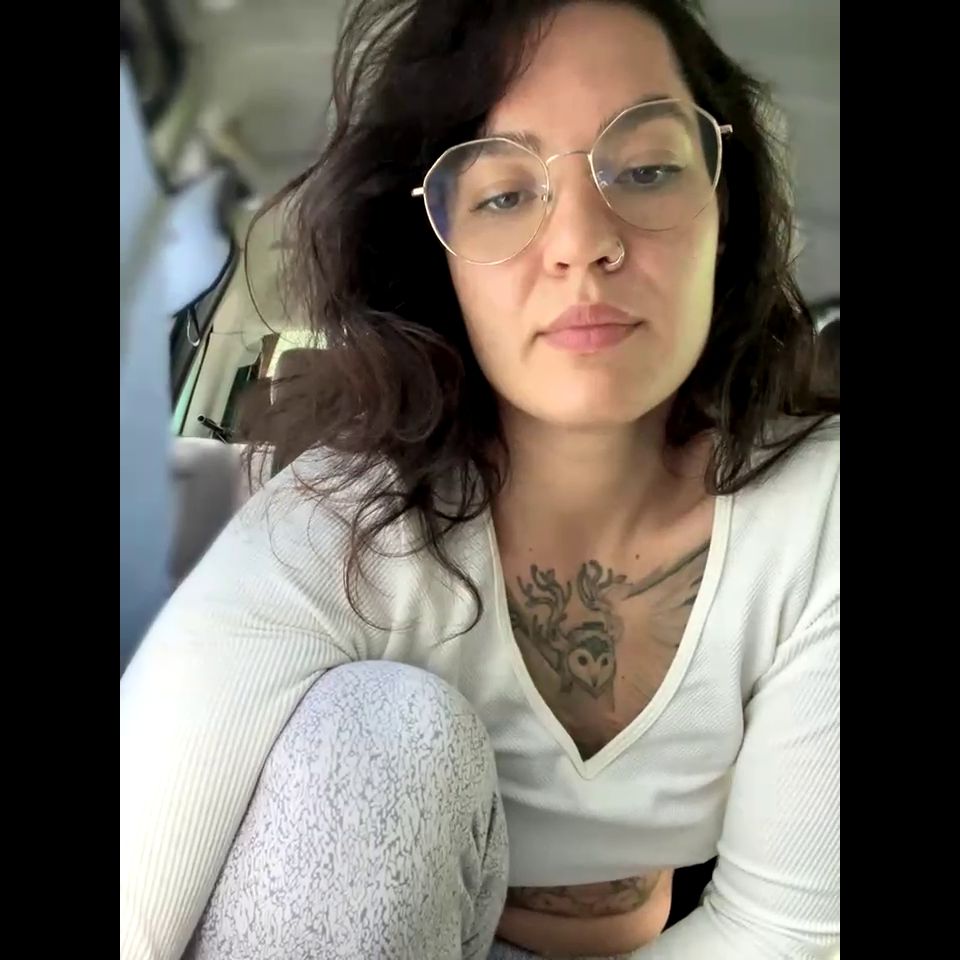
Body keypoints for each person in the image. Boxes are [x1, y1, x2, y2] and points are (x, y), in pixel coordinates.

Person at [119, 0, 840, 957]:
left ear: (722, 212)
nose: (582, 242)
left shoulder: (817, 514)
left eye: (648, 169)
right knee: (381, 733)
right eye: (504, 194)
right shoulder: (338, 524)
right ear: (441, 258)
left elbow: (783, 928)